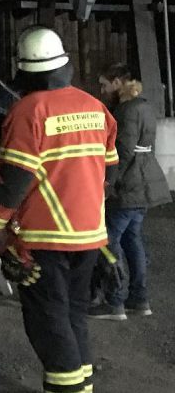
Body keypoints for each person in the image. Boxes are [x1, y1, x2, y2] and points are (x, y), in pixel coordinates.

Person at [0, 26, 118, 393]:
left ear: (26, 71)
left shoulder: (30, 110)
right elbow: (110, 169)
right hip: (90, 235)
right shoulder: (95, 107)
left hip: (44, 239)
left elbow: (12, 181)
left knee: (48, 322)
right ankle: (82, 385)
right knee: (74, 316)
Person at [88, 64, 172, 321]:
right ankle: (139, 299)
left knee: (107, 242)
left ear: (117, 83)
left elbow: (122, 153)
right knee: (132, 240)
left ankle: (114, 303)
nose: (102, 90)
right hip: (145, 184)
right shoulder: (145, 106)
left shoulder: (126, 111)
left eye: (104, 84)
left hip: (127, 189)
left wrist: (107, 185)